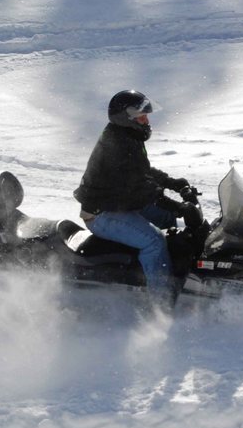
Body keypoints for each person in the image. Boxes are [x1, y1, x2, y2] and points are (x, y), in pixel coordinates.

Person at [74, 89, 198, 305]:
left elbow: (143, 172)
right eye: (141, 116)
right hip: (101, 214)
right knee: (154, 241)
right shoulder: (117, 144)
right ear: (126, 118)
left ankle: (177, 273)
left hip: (120, 203)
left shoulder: (127, 137)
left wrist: (173, 183)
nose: (146, 120)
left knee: (170, 222)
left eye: (146, 115)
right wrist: (177, 207)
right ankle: (161, 302)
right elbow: (140, 189)